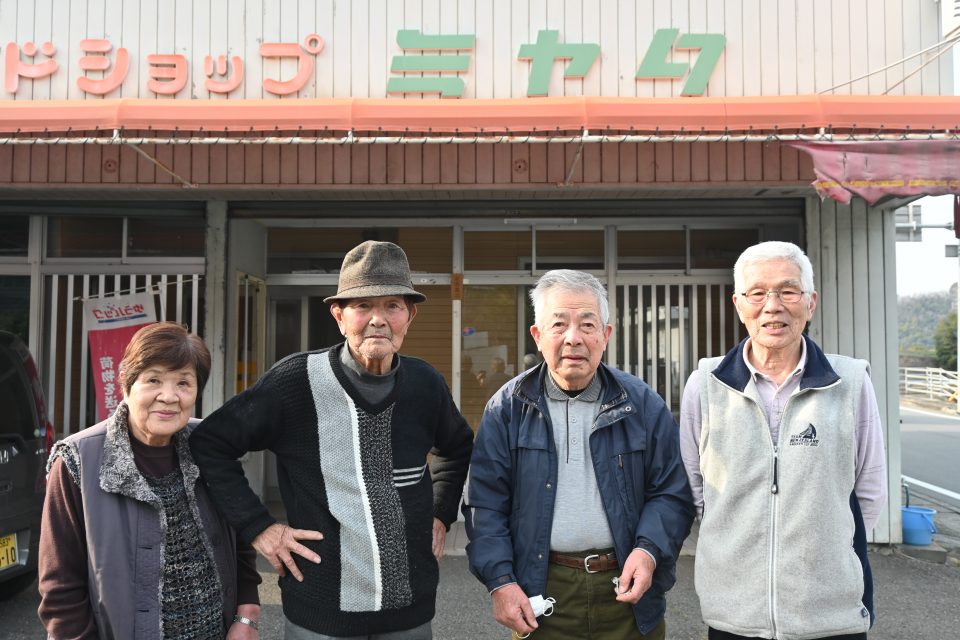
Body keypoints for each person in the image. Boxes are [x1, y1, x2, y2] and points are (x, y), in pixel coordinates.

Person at [190, 240, 474, 640]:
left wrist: (441, 513)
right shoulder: (295, 382)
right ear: (339, 316)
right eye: (362, 307)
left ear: (409, 316)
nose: (378, 320)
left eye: (392, 306)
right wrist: (259, 527)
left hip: (411, 611)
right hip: (320, 614)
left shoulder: (426, 384)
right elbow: (210, 443)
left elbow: (457, 447)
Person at [463, 269, 695, 640]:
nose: (573, 338)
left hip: (628, 590)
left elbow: (670, 492)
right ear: (538, 336)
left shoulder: (643, 404)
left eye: (588, 325)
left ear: (606, 335)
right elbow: (484, 504)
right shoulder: (507, 408)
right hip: (540, 592)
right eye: (559, 325)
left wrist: (649, 551)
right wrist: (501, 582)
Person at [679, 241, 887, 640]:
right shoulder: (705, 384)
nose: (772, 306)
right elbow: (694, 487)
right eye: (757, 293)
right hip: (734, 612)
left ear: (811, 302)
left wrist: (823, 549)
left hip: (830, 615)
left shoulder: (852, 382)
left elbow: (870, 490)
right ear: (739, 304)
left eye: (788, 291)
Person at [38, 322, 262, 640]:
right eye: (153, 380)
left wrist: (247, 615)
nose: (169, 397)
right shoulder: (78, 460)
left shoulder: (211, 445)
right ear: (127, 386)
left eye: (184, 383)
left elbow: (241, 540)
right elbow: (60, 585)